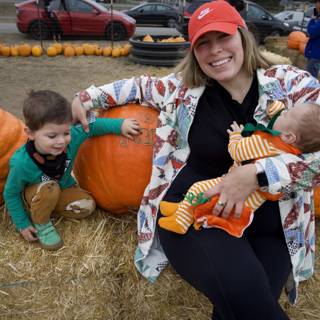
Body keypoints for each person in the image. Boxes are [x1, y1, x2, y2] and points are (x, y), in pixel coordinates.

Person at [71, 1, 320, 318]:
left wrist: (255, 174)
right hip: (197, 212)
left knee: (240, 309)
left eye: (223, 38)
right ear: (194, 50)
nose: (215, 50)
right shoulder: (182, 91)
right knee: (248, 298)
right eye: (204, 42)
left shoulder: (291, 84)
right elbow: (138, 86)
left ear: (242, 35)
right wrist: (87, 97)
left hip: (272, 221)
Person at [4, 90, 141, 251]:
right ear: (31, 133)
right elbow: (10, 193)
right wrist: (22, 224)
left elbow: (94, 126)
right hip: (37, 192)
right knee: (49, 188)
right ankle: (41, 222)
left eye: (66, 133)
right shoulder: (21, 163)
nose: (61, 141)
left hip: (61, 188)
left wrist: (120, 125)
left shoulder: (72, 138)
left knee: (87, 206)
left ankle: (49, 208)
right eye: (52, 136)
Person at [158, 100, 320, 236]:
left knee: (199, 189)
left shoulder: (265, 144)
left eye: (287, 114)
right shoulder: (290, 151)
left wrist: (236, 135)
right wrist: (279, 111)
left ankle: (181, 221)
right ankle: (183, 208)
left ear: (288, 136)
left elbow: (238, 152)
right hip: (252, 202)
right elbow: (282, 117)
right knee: (204, 198)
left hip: (236, 194)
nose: (284, 111)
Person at [305, 0, 320, 79]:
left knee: (310, 78)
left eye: (317, 3)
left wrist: (312, 19)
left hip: (315, 54)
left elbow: (311, 32)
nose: (315, 6)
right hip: (315, 52)